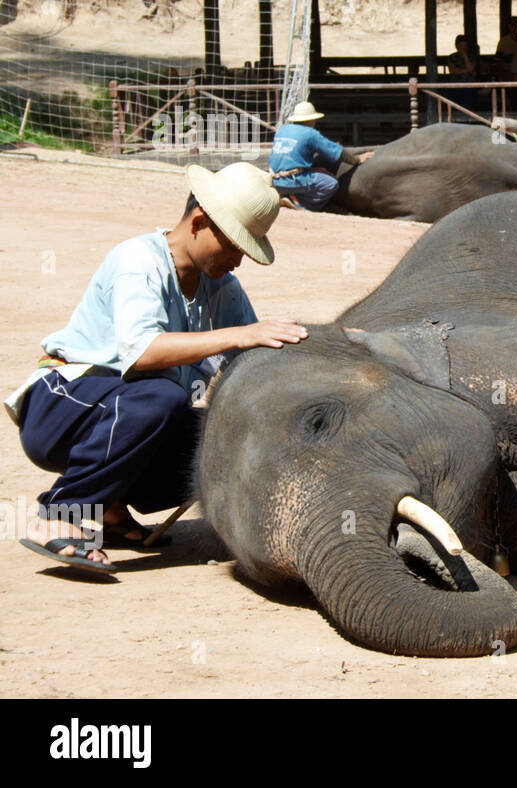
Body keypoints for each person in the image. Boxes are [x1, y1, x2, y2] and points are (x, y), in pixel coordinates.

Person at [5, 163, 307, 575]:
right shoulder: (138, 260)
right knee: (161, 397)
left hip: (124, 416)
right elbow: (143, 352)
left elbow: (252, 356)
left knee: (218, 436)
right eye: (236, 245)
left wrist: (324, 348)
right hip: (61, 408)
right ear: (200, 222)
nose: (239, 260)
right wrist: (239, 335)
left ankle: (110, 507)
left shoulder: (222, 289)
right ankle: (61, 515)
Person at [268, 102, 373, 211]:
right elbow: (334, 151)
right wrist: (356, 160)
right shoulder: (310, 134)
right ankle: (301, 204)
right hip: (293, 181)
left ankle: (290, 195)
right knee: (330, 184)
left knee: (316, 171)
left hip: (275, 181)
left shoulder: (283, 129)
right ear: (311, 120)